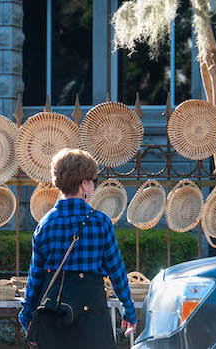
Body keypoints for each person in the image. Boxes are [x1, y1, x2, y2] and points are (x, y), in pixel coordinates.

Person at [19, 148, 138, 348]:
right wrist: (128, 308)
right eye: (93, 181)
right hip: (92, 319)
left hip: (54, 319)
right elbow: (116, 271)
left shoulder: (45, 223)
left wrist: (27, 314)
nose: (93, 187)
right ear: (84, 184)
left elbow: (35, 276)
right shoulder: (100, 222)